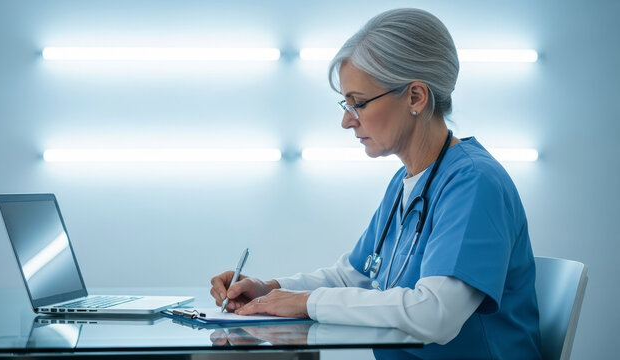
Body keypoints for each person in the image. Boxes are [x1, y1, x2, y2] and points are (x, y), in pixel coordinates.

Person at [210, 8, 541, 359]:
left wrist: (306, 303)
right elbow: (353, 276)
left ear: (415, 97)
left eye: (359, 103)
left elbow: (435, 315)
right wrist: (271, 290)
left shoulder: (474, 184)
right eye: (346, 103)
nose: (346, 121)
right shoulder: (407, 182)